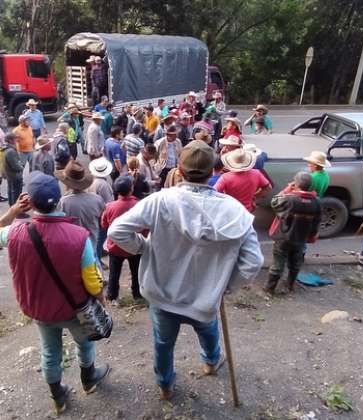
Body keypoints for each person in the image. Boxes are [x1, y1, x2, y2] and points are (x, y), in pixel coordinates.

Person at [108, 140, 264, 400]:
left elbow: (116, 230)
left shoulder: (159, 201)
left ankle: (165, 385)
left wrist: (143, 248)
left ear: (179, 170)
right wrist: (225, 285)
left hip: (162, 294)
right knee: (208, 331)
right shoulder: (235, 211)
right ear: (214, 171)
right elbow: (253, 262)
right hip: (205, 300)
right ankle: (212, 362)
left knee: (163, 343)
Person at [0, 172, 109, 415]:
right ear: (59, 198)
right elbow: (93, 282)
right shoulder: (79, 237)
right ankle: (88, 380)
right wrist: (100, 298)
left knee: (50, 352)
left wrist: (13, 211)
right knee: (84, 344)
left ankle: (58, 398)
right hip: (74, 307)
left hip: (39, 309)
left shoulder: (15, 233)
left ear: (29, 203)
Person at [266, 172, 322, 295]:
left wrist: (287, 189)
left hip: (283, 237)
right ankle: (289, 286)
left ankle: (270, 289)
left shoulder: (289, 199)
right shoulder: (317, 202)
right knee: (295, 264)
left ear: (296, 184)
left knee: (278, 263)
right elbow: (317, 223)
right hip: (301, 238)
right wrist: (312, 236)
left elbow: (274, 202)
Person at [101, 176, 143, 304]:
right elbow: (144, 226)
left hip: (115, 246)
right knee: (136, 272)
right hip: (134, 245)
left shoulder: (110, 206)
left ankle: (112, 296)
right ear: (131, 189)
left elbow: (104, 224)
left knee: (114, 273)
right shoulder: (138, 205)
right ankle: (137, 294)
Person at [57, 160, 105, 257]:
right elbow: (101, 221)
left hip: (72, 247)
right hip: (92, 245)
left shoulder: (64, 202)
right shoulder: (97, 199)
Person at [215, 148, 272, 213]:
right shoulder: (256, 173)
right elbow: (268, 188)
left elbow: (213, 193)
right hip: (248, 210)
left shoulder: (225, 177)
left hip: (230, 210)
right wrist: (254, 196)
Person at [1, 133, 24, 206]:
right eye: (14, 138)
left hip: (9, 174)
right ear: (10, 140)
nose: (16, 140)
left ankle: (12, 206)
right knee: (16, 193)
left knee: (11, 191)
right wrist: (21, 167)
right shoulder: (11, 151)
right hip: (14, 175)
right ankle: (17, 211)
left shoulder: (5, 148)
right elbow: (15, 165)